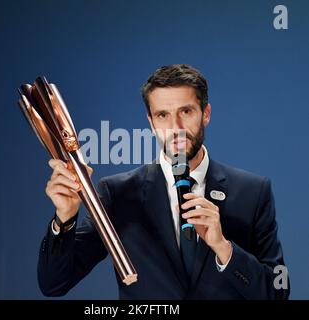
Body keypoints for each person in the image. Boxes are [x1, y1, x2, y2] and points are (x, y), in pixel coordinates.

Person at [37, 64, 290, 299]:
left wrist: (224, 248)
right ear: (151, 122)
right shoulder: (117, 193)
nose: (176, 127)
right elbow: (54, 284)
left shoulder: (253, 192)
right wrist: (65, 219)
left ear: (206, 114)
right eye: (162, 115)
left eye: (186, 111)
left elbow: (277, 292)